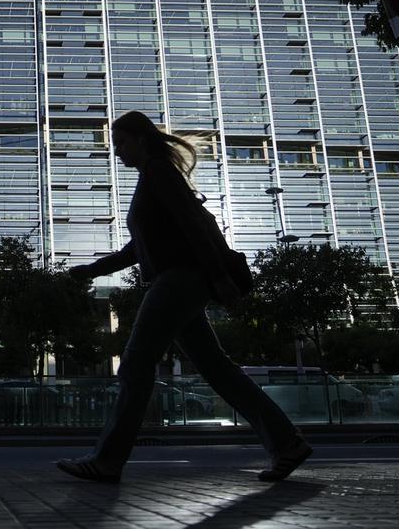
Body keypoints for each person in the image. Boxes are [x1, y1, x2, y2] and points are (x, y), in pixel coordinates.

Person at [56, 110, 311, 484]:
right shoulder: (151, 178)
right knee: (217, 369)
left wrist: (220, 276)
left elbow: (195, 223)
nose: (117, 152)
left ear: (141, 140)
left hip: (180, 280)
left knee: (135, 364)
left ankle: (108, 460)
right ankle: (287, 443)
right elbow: (136, 249)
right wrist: (89, 272)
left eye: (122, 143)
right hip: (182, 281)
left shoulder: (158, 171)